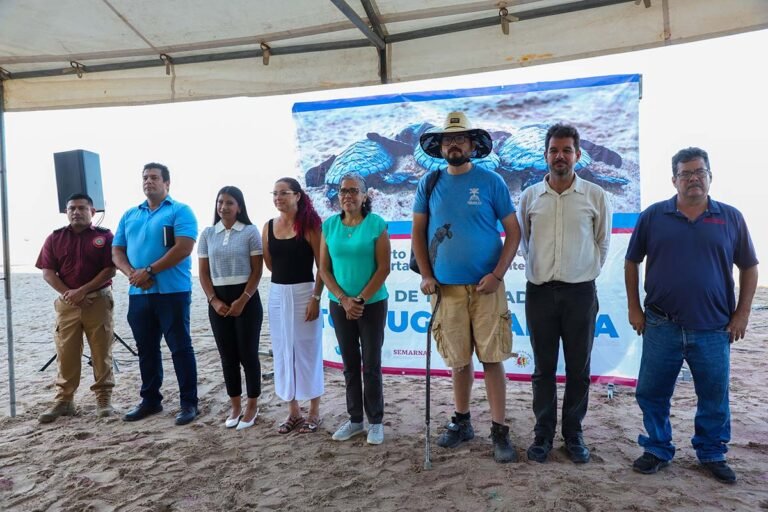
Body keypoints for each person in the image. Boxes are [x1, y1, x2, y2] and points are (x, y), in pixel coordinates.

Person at [625, 147, 758, 484]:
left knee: (714, 395)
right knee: (652, 392)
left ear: (710, 176)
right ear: (674, 180)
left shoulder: (731, 218)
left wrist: (742, 314)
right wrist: (634, 308)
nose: (693, 178)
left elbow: (749, 267)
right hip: (660, 324)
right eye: (685, 173)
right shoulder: (654, 216)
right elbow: (631, 261)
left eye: (699, 172)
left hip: (714, 327)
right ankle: (657, 448)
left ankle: (712, 452)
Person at [413, 111, 521, 463]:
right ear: (440, 146)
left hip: (488, 288)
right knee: (458, 362)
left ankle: (499, 430)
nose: (454, 145)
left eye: (460, 138)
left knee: (492, 359)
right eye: (448, 139)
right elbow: (418, 232)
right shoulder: (429, 183)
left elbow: (513, 232)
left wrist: (498, 275)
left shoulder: (491, 182)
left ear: (473, 145)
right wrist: (426, 275)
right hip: (446, 291)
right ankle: (462, 422)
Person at [516, 123, 612, 464]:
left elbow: (602, 242)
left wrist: (581, 272)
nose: (560, 156)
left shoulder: (595, 196)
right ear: (545, 155)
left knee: (578, 369)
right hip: (540, 293)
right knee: (543, 369)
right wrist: (544, 271)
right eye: (554, 150)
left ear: (577, 155)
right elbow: (525, 243)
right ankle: (542, 435)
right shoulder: (530, 197)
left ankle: (573, 434)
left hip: (580, 294)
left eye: (567, 150)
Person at [112, 162, 200, 426]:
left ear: (167, 183)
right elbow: (117, 250)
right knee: (146, 349)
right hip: (138, 293)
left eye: (154, 177)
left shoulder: (180, 211)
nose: (148, 181)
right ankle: (151, 400)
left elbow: (183, 248)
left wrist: (149, 270)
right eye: (145, 178)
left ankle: (189, 403)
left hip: (173, 292)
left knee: (180, 348)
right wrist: (132, 274)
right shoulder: (130, 214)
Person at [319, 173, 390, 445]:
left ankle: (376, 422)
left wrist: (359, 300)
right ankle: (356, 420)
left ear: (364, 195)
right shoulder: (329, 226)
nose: (347, 195)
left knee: (371, 364)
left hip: (371, 305)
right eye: (343, 191)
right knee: (349, 365)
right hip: (340, 305)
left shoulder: (376, 224)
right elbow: (324, 269)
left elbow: (384, 267)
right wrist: (344, 299)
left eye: (353, 190)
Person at [35, 193, 116, 423]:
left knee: (101, 351)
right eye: (72, 208)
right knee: (66, 353)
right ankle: (65, 400)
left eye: (82, 208)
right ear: (66, 211)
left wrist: (83, 290)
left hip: (97, 301)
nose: (76, 212)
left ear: (93, 212)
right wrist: (70, 294)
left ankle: (104, 399)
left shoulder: (105, 237)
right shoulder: (55, 238)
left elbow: (110, 269)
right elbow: (48, 272)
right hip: (67, 304)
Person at [199, 186, 264, 431]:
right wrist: (213, 300)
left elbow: (257, 270)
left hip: (246, 300)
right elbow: (203, 273)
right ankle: (235, 406)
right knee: (228, 357)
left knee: (248, 355)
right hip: (218, 300)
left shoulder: (249, 231)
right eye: (220, 202)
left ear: (239, 207)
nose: (223, 207)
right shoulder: (208, 234)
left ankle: (252, 406)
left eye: (229, 202)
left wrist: (243, 299)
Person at [263, 178, 324, 434]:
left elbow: (323, 266)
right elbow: (270, 264)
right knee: (283, 351)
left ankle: (314, 412)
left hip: (304, 293)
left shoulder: (310, 225)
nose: (278, 198)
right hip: (278, 295)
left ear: (297, 196)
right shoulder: (268, 226)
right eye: (275, 193)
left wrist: (315, 298)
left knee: (308, 351)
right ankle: (293, 412)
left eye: (284, 193)